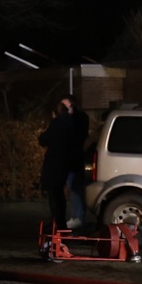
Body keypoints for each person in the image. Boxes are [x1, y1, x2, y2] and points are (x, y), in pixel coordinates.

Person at [38, 97, 89, 231]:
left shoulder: (63, 122)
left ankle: (62, 221)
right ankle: (66, 220)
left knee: (60, 192)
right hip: (68, 162)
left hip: (61, 162)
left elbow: (44, 139)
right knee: (64, 191)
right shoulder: (73, 121)